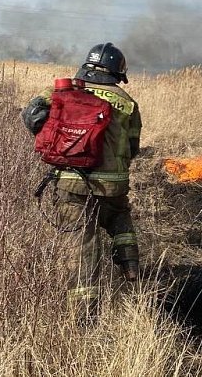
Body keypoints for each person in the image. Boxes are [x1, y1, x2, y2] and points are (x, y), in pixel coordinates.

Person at [20, 42, 143, 322]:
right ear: (116, 71)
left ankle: (85, 316)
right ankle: (130, 264)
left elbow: (31, 117)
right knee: (120, 216)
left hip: (71, 182)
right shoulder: (126, 102)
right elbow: (133, 147)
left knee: (82, 245)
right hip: (114, 185)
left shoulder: (61, 91)